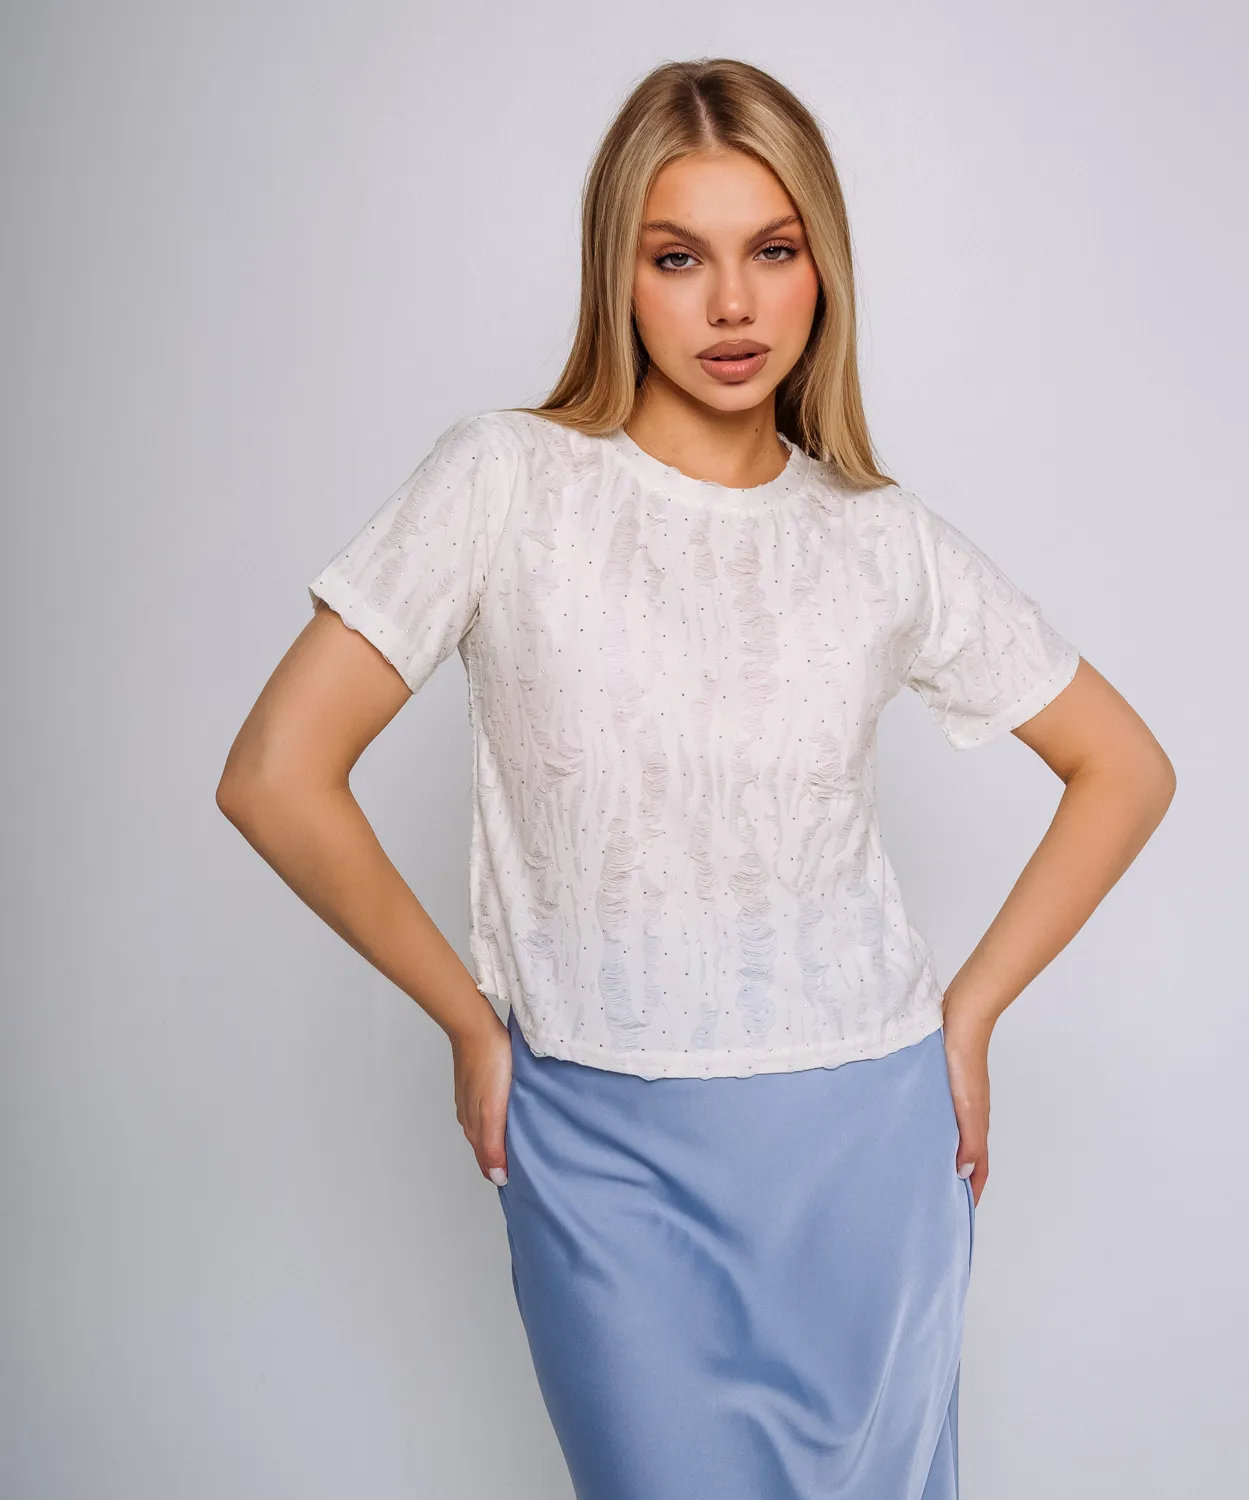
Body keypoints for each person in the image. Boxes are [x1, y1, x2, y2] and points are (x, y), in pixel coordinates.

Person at [216, 56, 1175, 1500]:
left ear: (821, 267)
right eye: (679, 257)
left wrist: (966, 1019)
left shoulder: (878, 536)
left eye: (772, 251)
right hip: (602, 1145)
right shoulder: (505, 481)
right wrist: (472, 1024)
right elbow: (277, 775)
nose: (733, 304)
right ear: (618, 273)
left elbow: (1124, 768)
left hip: (870, 1140)